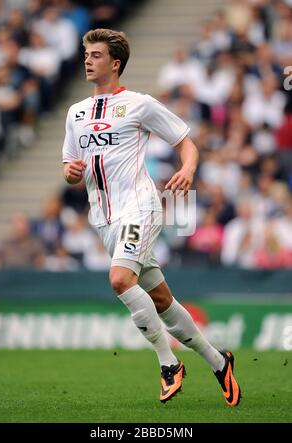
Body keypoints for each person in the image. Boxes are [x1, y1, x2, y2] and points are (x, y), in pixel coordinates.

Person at [62, 28, 241, 406]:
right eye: (86, 54)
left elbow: (184, 141)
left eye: (95, 55)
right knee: (160, 298)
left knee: (119, 279)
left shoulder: (139, 104)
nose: (87, 60)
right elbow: (69, 167)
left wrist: (188, 169)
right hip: (104, 220)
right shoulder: (75, 112)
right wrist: (72, 174)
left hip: (140, 206)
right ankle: (217, 360)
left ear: (115, 63)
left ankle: (168, 363)